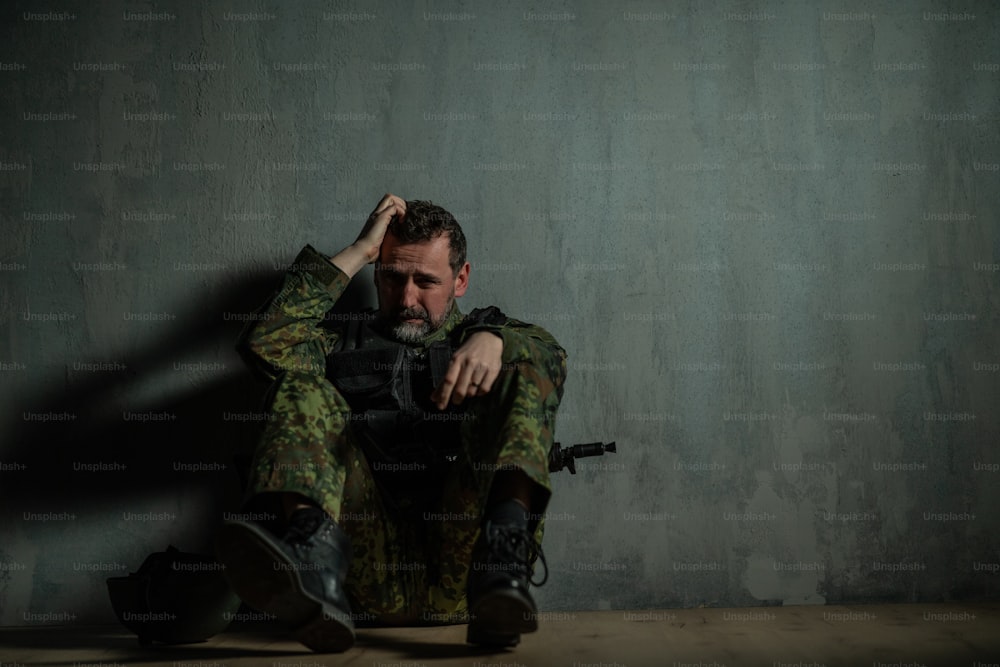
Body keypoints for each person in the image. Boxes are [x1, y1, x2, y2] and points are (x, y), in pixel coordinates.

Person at [215, 194, 568, 653]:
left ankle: (503, 569)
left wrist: (495, 340)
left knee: (526, 368)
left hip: (465, 565)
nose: (407, 298)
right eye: (391, 277)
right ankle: (313, 565)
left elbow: (551, 359)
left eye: (426, 281)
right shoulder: (336, 346)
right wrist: (361, 250)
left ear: (460, 279)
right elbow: (266, 345)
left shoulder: (497, 338)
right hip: (363, 566)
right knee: (298, 386)